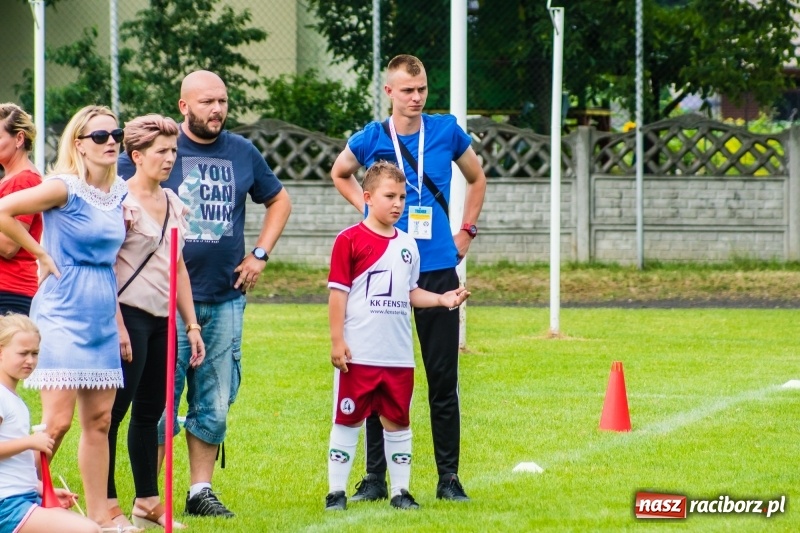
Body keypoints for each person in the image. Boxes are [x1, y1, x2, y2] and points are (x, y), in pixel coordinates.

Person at [117, 70, 292, 518]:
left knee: (214, 401)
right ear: (184, 106)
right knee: (157, 403)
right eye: (207, 101)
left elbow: (279, 200)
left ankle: (199, 492)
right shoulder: (158, 150)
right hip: (163, 300)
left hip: (225, 296)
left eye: (223, 101)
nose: (217, 109)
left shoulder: (242, 151)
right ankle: (148, 497)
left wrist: (259, 253)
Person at [331, 54, 487, 501]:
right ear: (389, 93)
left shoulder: (446, 131)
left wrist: (467, 230)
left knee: (442, 376)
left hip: (438, 266)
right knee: (380, 376)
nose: (415, 98)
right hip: (386, 269)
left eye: (420, 90)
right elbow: (340, 173)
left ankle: (449, 478)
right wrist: (368, 214)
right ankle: (376, 480)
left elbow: (477, 179)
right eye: (406, 91)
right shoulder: (372, 137)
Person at [0, 105, 127, 528]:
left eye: (115, 134)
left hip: (101, 313)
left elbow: (116, 257)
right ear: (78, 144)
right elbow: (5, 210)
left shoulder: (118, 193)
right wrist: (38, 252)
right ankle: (21, 501)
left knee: (101, 421)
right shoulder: (63, 187)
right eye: (99, 136)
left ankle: (98, 520)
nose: (111, 141)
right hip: (63, 309)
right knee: (57, 421)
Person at [324, 161, 470, 512]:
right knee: (348, 419)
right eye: (390, 196)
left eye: (402, 197)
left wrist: (441, 299)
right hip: (360, 353)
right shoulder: (349, 240)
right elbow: (338, 294)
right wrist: (336, 340)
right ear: (368, 197)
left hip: (397, 356)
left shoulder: (408, 245)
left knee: (398, 421)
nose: (398, 204)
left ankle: (400, 492)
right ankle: (336, 492)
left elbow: (411, 291)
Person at [106, 114, 206, 531]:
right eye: (162, 152)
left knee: (152, 412)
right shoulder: (118, 201)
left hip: (164, 319)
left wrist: (192, 325)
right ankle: (107, 505)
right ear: (137, 156)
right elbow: (106, 267)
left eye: (173, 151)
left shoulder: (172, 201)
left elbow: (178, 266)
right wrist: (119, 327)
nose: (170, 158)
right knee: (112, 414)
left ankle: (147, 502)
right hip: (127, 315)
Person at [0, 314, 102, 533]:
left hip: (23, 497)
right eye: (23, 353)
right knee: (89, 530)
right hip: (6, 506)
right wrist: (30, 442)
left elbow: (14, 468)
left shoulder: (13, 398)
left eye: (35, 353)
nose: (30, 360)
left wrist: (44, 489)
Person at [0, 104, 42, 316]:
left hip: (9, 291)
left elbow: (9, 246)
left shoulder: (24, 180)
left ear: (19, 139)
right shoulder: (12, 179)